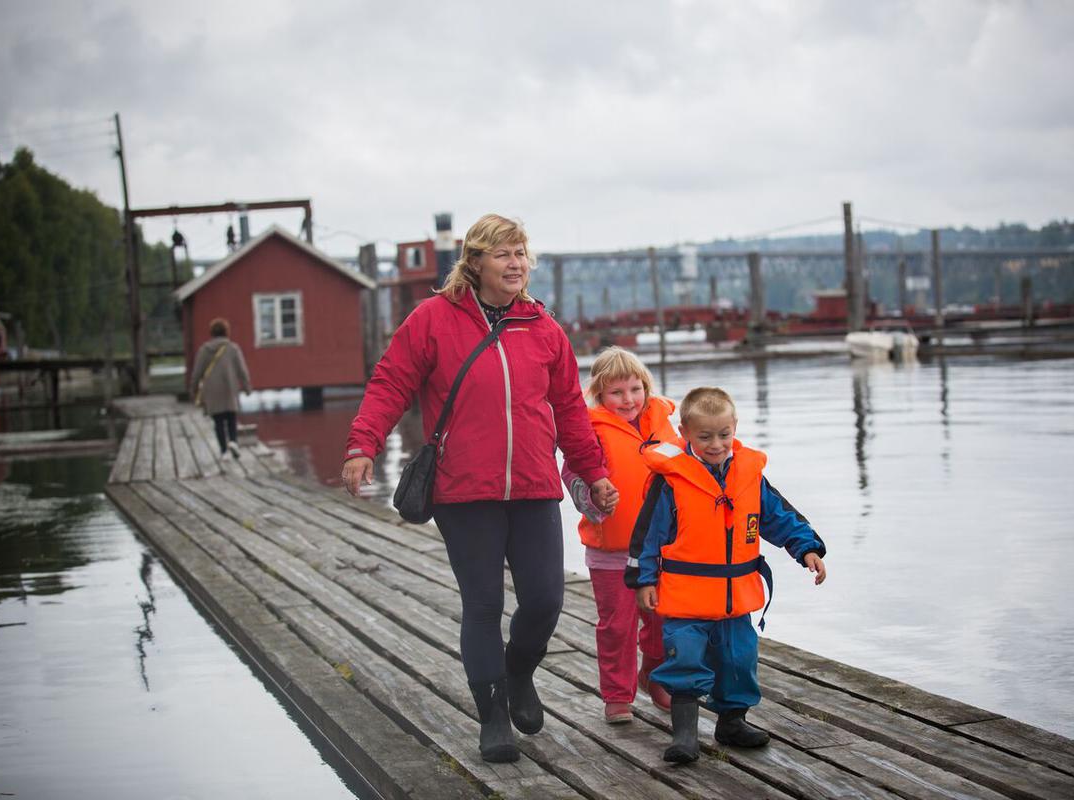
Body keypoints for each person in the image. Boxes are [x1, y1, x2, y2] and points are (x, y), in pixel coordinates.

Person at [341, 213, 619, 764]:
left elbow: (568, 407)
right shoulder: (433, 320)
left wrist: (594, 470)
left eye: (521, 254)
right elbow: (391, 382)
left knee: (545, 599)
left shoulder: (543, 328)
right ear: (475, 262)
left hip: (536, 484)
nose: (516, 264)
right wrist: (361, 445)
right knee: (483, 602)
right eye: (503, 254)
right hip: (464, 489)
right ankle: (492, 717)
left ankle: (518, 673)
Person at [626, 386, 827, 764]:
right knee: (684, 661)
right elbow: (646, 538)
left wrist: (808, 549)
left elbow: (781, 517)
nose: (716, 444)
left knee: (739, 661)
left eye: (724, 434)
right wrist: (644, 580)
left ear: (735, 427)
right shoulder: (670, 480)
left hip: (736, 601)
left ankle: (732, 722)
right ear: (684, 433)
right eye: (704, 437)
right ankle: (685, 736)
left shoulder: (749, 475)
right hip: (686, 600)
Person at [562, 347, 675, 723]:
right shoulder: (589, 432)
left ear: (646, 387)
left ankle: (654, 676)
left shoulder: (665, 425)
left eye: (634, 389)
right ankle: (616, 696)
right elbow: (574, 478)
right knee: (617, 626)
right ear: (599, 395)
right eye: (616, 392)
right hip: (612, 553)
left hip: (661, 553)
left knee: (662, 622)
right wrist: (596, 498)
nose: (628, 400)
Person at [189, 317, 251, 459]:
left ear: (212, 332)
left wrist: (193, 389)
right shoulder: (233, 348)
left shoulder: (204, 350)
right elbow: (242, 370)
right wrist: (247, 386)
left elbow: (197, 372)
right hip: (229, 388)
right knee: (231, 418)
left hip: (212, 391)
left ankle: (224, 451)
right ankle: (234, 442)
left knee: (218, 421)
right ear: (227, 331)